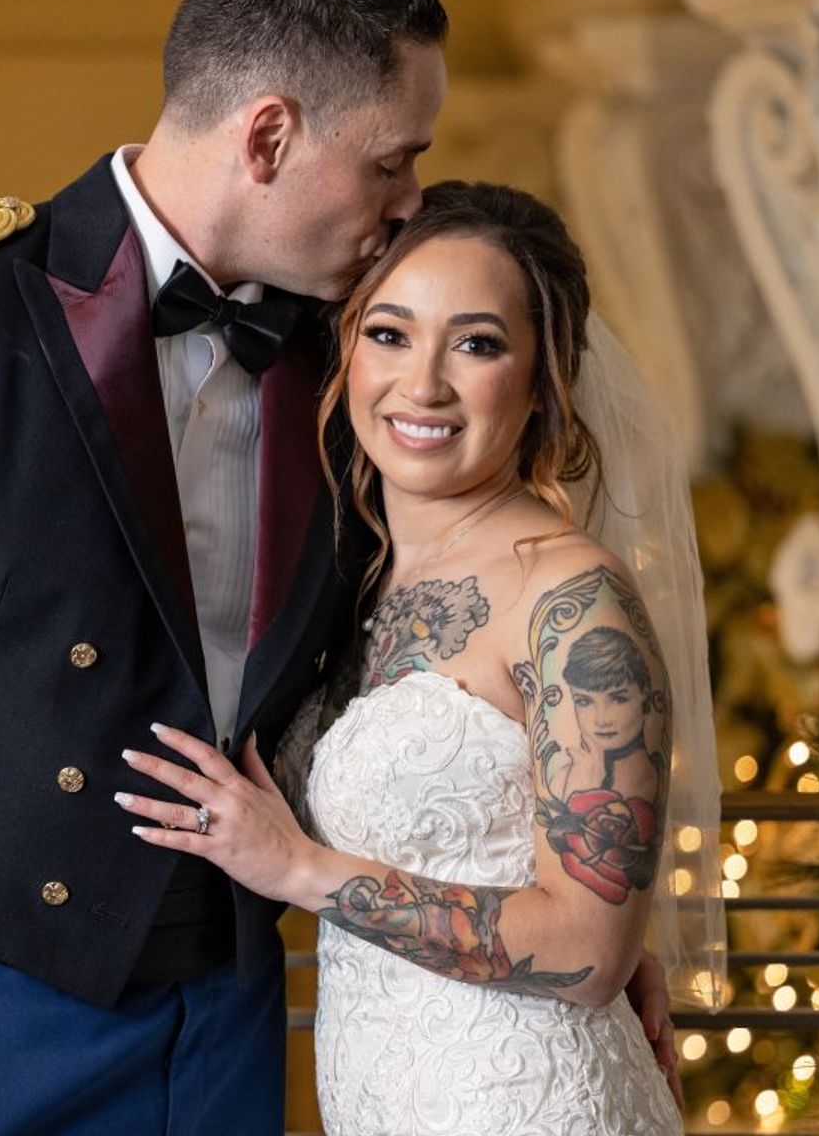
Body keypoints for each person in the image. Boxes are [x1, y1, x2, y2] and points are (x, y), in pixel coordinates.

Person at [0, 0, 680, 1133]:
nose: (409, 204)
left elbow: (449, 640)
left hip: (231, 1013)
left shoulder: (356, 357)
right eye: (389, 162)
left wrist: (578, 911)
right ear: (268, 134)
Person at [121, 181, 724, 1134]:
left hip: (526, 1102)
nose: (424, 384)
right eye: (390, 333)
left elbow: (586, 948)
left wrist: (302, 871)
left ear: (543, 378)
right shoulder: (348, 576)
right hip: (383, 1092)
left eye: (478, 344)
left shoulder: (570, 601)